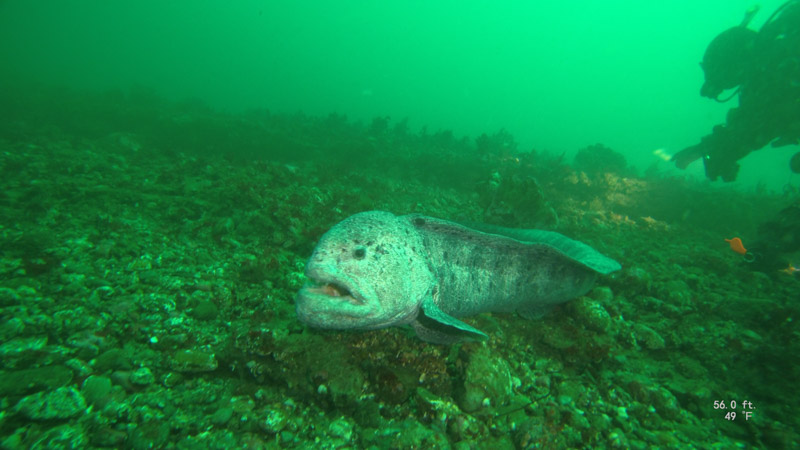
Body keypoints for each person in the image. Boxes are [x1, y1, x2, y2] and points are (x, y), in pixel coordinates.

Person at [673, 1, 800, 181]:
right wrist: (713, 152)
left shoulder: (778, 71)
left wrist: (712, 151)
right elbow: (752, 127)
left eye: (717, 72)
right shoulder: (770, 69)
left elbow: (755, 126)